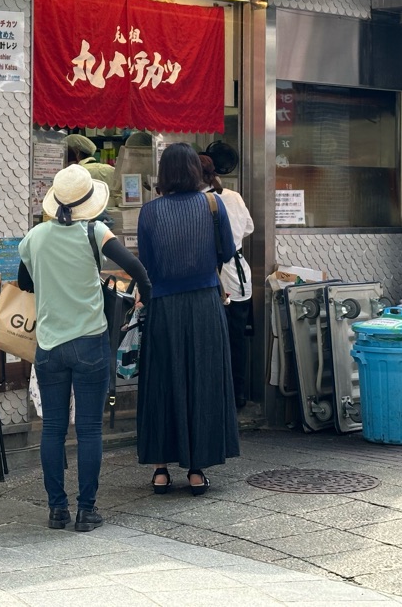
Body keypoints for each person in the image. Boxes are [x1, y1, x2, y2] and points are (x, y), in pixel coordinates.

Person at [18, 164, 151, 532]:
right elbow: (136, 268)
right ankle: (87, 510)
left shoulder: (34, 237)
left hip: (48, 346)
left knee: (52, 429)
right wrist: (147, 295)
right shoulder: (96, 231)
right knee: (89, 430)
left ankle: (56, 509)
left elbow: (24, 282)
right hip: (90, 342)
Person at [136, 142, 239, 495]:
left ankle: (161, 470)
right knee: (203, 380)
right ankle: (196, 470)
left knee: (162, 381)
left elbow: (146, 264)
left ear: (163, 174)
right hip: (205, 303)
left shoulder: (149, 213)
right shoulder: (213, 204)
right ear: (196, 171)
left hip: (164, 306)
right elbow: (226, 251)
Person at [200, 151, 254, 411]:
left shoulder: (198, 201)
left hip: (213, 279)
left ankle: (215, 395)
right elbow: (249, 228)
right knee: (236, 339)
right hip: (237, 278)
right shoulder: (233, 196)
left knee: (210, 340)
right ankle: (238, 395)